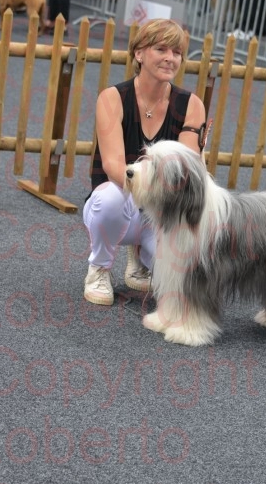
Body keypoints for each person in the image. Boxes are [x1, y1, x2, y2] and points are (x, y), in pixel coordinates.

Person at [83, 18, 206, 305]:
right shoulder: (112, 98)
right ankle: (99, 268)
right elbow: (114, 167)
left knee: (180, 288)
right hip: (121, 200)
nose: (170, 58)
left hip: (163, 211)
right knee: (109, 200)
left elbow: (186, 170)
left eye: (176, 52)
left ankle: (140, 256)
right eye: (161, 49)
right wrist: (150, 192)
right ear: (139, 53)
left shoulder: (192, 105)